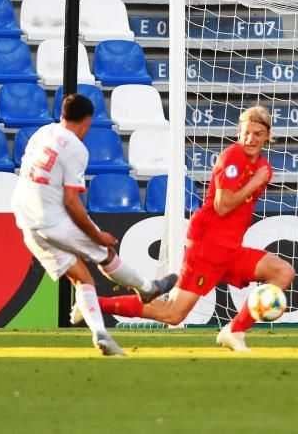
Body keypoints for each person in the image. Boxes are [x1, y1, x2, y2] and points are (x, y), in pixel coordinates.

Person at [81, 106, 295, 352]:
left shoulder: (263, 167)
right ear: (239, 132)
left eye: (257, 134)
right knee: (173, 314)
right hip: (208, 245)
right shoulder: (234, 157)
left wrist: (257, 178)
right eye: (246, 133)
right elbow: (223, 205)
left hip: (230, 247)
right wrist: (255, 181)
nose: (250, 139)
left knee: (283, 272)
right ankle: (93, 305)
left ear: (268, 136)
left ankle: (234, 331)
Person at [11, 94, 176, 356]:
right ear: (87, 121)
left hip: (25, 217)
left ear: (62, 114)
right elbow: (71, 201)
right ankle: (147, 288)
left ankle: (100, 334)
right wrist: (97, 235)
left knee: (82, 278)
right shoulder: (75, 148)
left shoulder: (43, 133)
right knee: (106, 254)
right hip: (52, 219)